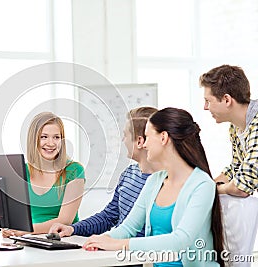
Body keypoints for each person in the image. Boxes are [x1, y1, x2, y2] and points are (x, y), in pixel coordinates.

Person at [83, 108, 224, 267]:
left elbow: (180, 240)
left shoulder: (203, 185)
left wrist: (120, 244)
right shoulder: (155, 181)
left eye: (148, 136)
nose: (145, 143)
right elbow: (128, 228)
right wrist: (103, 239)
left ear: (163, 137)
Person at [49, 106, 160, 238]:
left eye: (125, 135)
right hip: (118, 250)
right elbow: (109, 217)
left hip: (137, 254)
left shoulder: (165, 181)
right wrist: (72, 229)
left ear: (140, 141)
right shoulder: (129, 174)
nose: (123, 140)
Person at [3, 112, 85, 236]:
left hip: (64, 240)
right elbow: (16, 216)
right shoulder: (22, 171)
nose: (51, 143)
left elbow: (65, 220)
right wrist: (11, 229)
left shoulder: (74, 171)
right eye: (44, 137)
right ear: (34, 140)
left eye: (56, 137)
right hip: (30, 239)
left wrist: (26, 230)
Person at [199, 64, 258, 197]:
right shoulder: (235, 127)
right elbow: (237, 168)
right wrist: (207, 186)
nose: (205, 107)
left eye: (208, 101)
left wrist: (214, 190)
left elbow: (242, 187)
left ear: (226, 100)